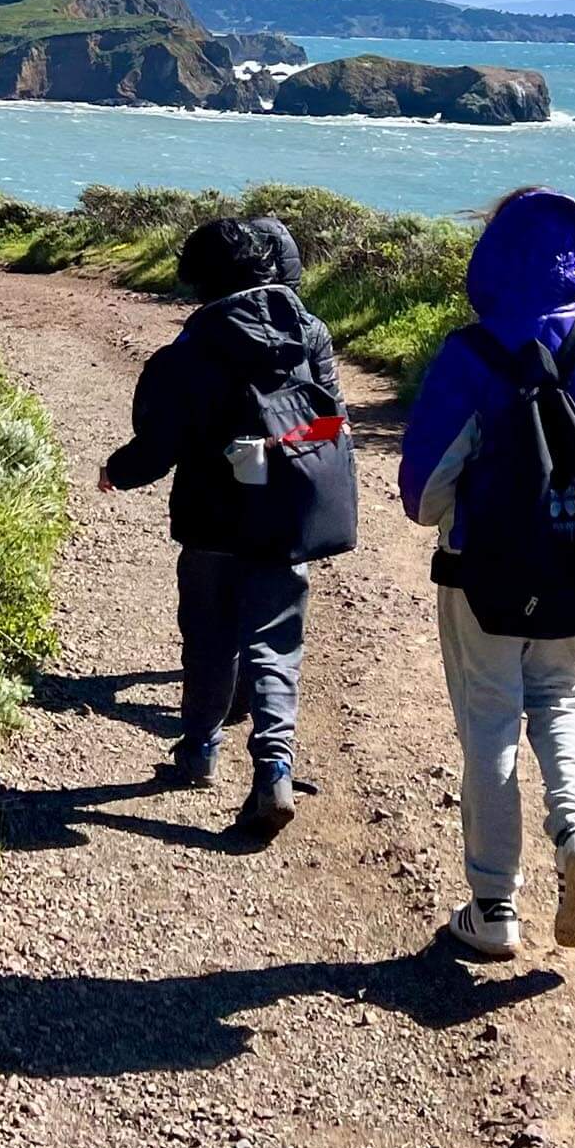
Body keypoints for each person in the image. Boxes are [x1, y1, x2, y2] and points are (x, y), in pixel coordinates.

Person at [399, 189, 575, 957]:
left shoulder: (470, 350)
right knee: (563, 695)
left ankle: (493, 907)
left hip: (482, 570)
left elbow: (423, 496)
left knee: (490, 718)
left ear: (494, 259)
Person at [100, 216, 345, 835]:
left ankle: (198, 754)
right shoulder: (309, 331)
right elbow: (332, 423)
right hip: (287, 511)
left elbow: (161, 442)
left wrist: (117, 472)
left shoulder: (193, 347)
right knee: (276, 643)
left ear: (199, 277)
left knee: (209, 638)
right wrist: (270, 444)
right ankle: (274, 771)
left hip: (211, 517)